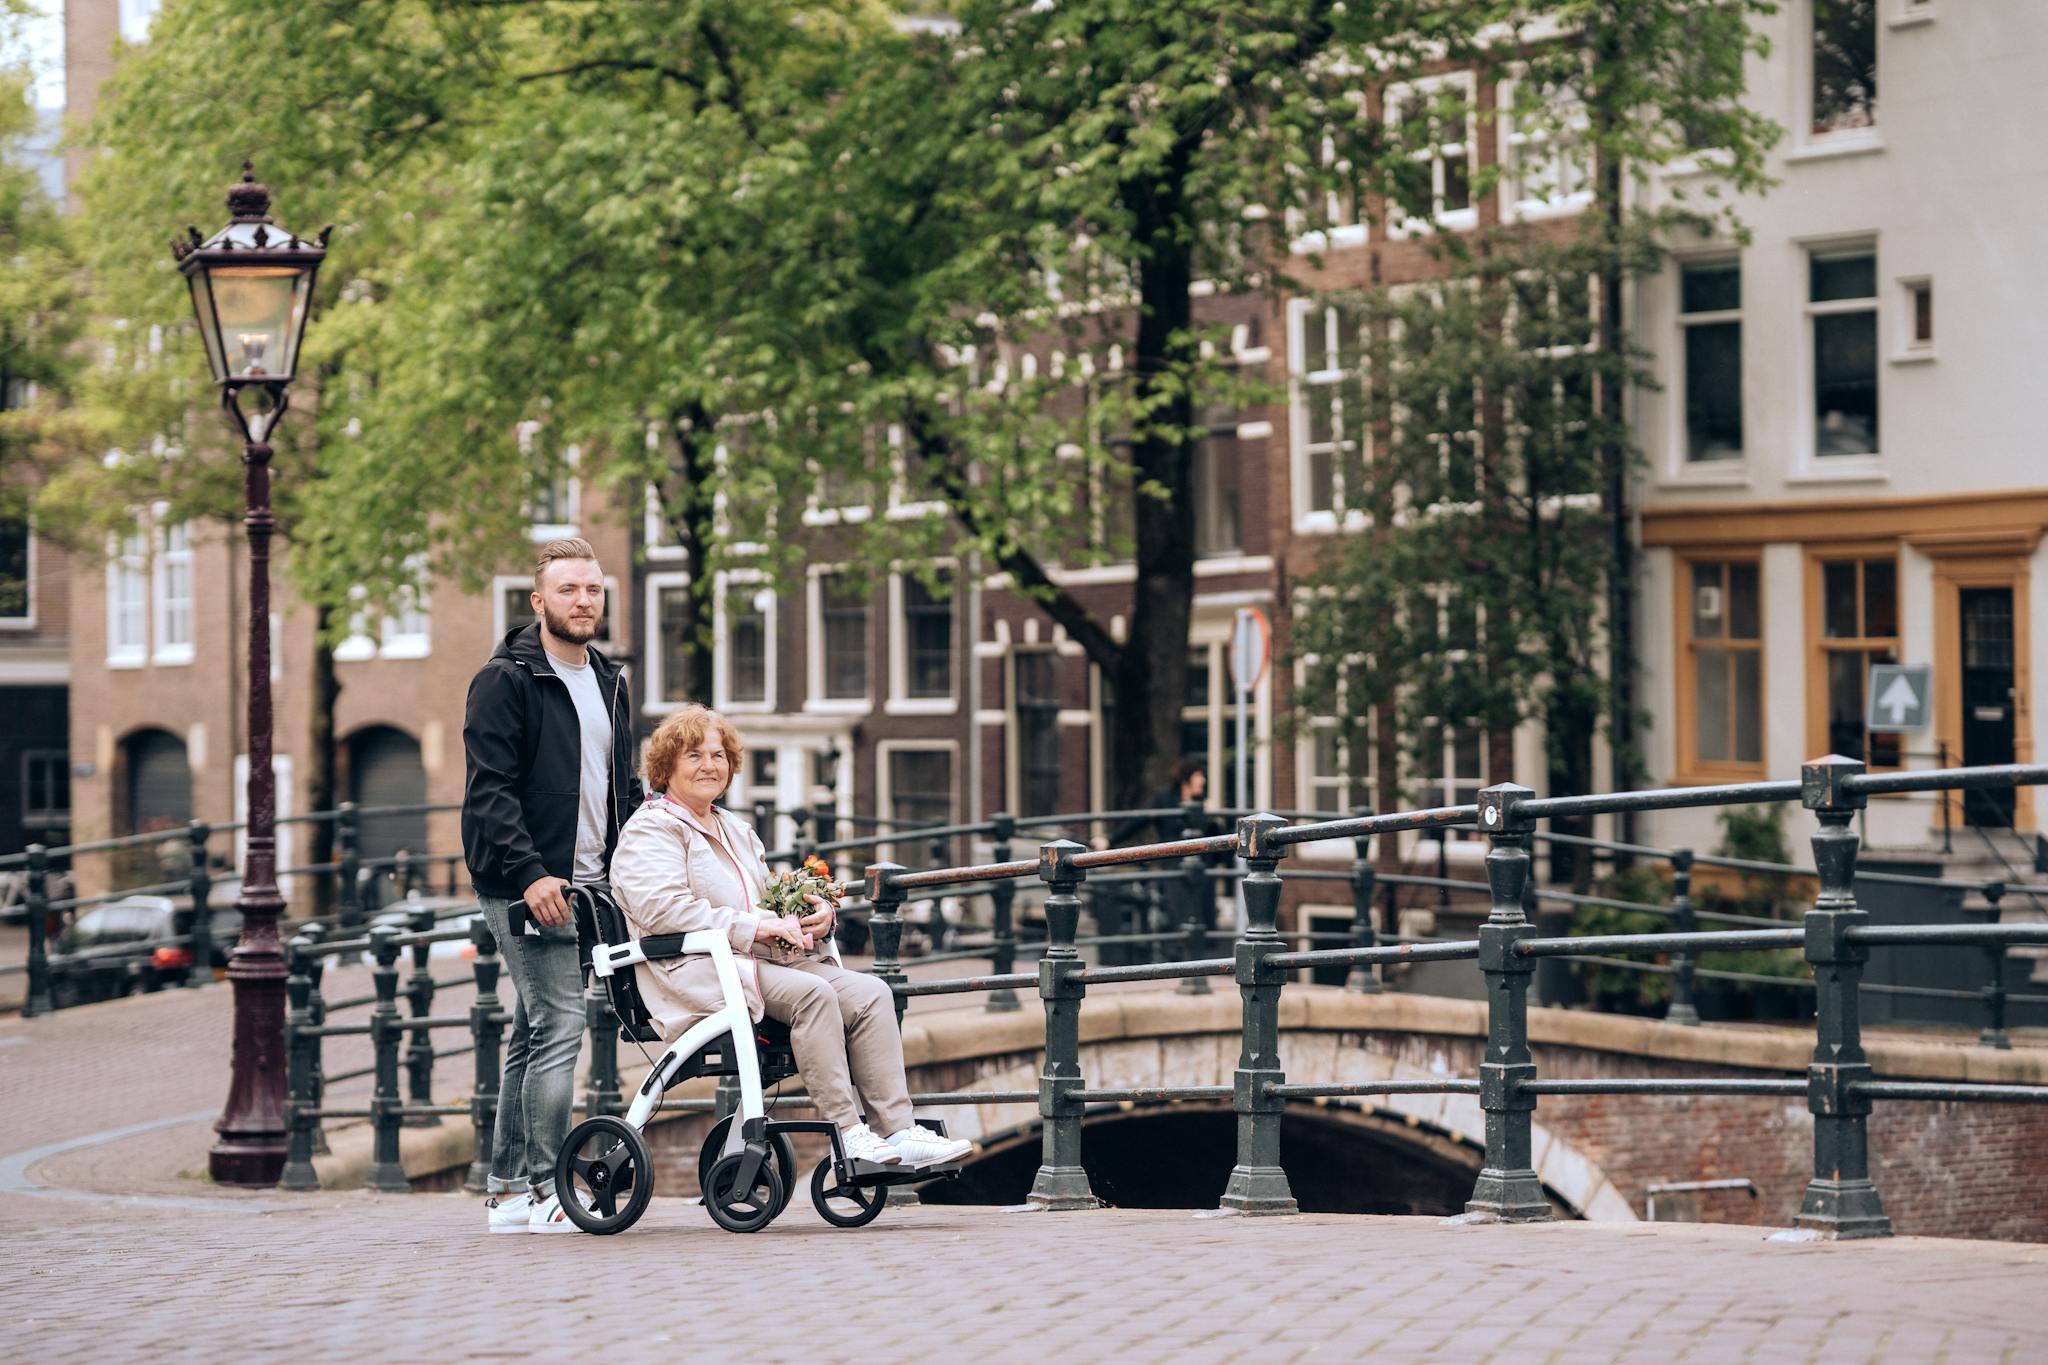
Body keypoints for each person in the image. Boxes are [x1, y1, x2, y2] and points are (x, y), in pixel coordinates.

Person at [610, 705, 972, 1170]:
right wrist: (756, 926)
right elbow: (662, 909)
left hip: (758, 962)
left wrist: (811, 917)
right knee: (814, 995)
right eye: (694, 755)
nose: (709, 766)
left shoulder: (734, 829)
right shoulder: (651, 829)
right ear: (666, 767)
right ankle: (848, 1133)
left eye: (718, 755)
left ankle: (898, 1130)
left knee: (871, 993)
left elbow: (767, 903)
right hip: (696, 971)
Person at [462, 537, 643, 1233]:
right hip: (525, 883)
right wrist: (533, 873)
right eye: (568, 589)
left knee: (532, 1029)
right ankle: (544, 1187)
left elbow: (620, 788)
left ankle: (507, 1189)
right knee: (562, 1023)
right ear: (539, 601)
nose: (583, 600)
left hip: (590, 885)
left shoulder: (607, 678)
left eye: (593, 589)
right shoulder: (506, 679)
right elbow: (490, 793)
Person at [1108, 758, 1210, 849]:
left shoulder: (1202, 802)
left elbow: (1213, 836)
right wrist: (1110, 840)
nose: (1202, 780)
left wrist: (1210, 817)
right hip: (1172, 860)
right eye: (1198, 775)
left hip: (1202, 862)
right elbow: (1137, 821)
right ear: (1186, 778)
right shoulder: (1164, 799)